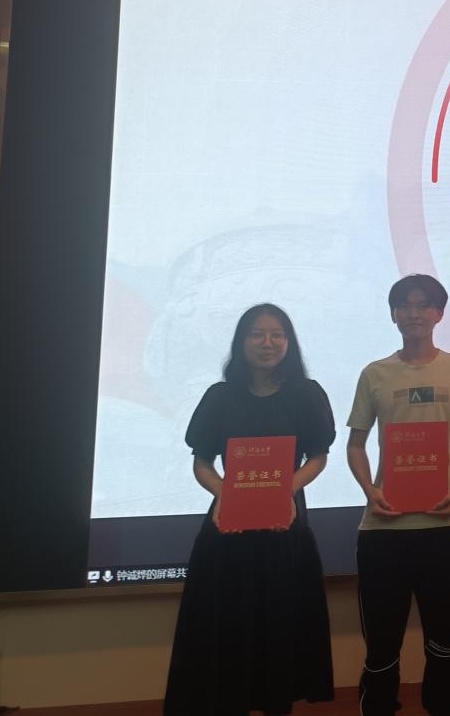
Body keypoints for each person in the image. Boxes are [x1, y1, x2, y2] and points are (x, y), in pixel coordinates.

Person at [164, 303, 336, 716]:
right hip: (228, 529)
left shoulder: (307, 394)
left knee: (280, 625)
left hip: (284, 528)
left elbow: (318, 456)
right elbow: (202, 461)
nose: (267, 342)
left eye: (277, 334)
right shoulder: (220, 397)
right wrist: (226, 493)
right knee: (227, 628)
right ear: (241, 342)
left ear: (289, 342)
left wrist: (282, 491)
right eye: (257, 334)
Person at [345, 274, 450, 716]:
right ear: (393, 314)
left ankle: (442, 708)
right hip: (383, 528)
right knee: (381, 641)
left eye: (424, 305)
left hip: (444, 525)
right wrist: (370, 490)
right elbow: (355, 444)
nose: (415, 313)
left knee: (444, 637)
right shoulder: (375, 373)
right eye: (405, 305)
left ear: (439, 314)